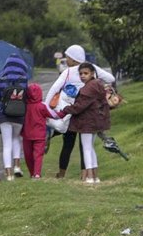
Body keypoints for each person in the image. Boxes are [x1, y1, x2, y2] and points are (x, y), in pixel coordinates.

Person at [45, 45, 115, 179]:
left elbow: (54, 89)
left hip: (71, 113)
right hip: (88, 113)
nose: (67, 60)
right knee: (86, 146)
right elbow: (111, 79)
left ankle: (61, 174)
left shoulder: (68, 72)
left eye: (68, 57)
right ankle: (85, 175)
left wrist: (46, 107)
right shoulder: (92, 69)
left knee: (68, 144)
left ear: (73, 59)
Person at [65, 62, 111, 184]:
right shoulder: (98, 85)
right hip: (96, 121)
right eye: (80, 74)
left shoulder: (88, 88)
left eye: (86, 73)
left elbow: (79, 106)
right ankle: (96, 177)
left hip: (87, 122)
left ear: (92, 73)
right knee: (90, 148)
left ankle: (90, 177)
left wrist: (65, 109)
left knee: (86, 148)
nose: (82, 76)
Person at [0, 54, 31, 181]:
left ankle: (8, 174)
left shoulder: (2, 79)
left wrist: (0, 105)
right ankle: (17, 167)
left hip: (4, 115)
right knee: (16, 139)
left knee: (6, 144)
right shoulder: (24, 79)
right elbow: (26, 96)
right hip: (19, 115)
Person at [22, 82, 58, 179]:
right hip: (40, 135)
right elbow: (53, 115)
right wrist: (64, 113)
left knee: (28, 155)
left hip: (27, 134)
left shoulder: (24, 106)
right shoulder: (42, 106)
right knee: (38, 155)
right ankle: (37, 173)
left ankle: (31, 172)